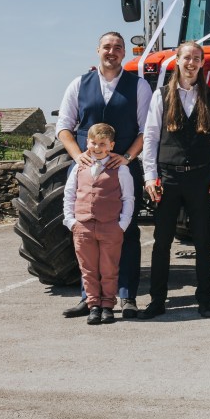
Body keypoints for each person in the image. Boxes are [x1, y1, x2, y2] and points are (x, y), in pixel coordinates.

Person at [56, 31, 152, 319]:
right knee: (85, 233)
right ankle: (89, 299)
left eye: (118, 47)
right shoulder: (78, 84)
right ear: (98, 50)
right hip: (85, 171)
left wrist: (128, 157)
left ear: (124, 53)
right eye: (107, 47)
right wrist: (78, 157)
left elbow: (146, 130)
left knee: (126, 231)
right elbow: (64, 127)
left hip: (121, 171)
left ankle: (127, 296)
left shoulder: (139, 86)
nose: (112, 51)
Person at [138, 41, 210, 319]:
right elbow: (151, 137)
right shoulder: (161, 95)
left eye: (196, 58)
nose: (191, 63)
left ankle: (205, 300)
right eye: (187, 57)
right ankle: (157, 300)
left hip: (200, 178)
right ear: (177, 60)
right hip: (168, 178)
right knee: (162, 241)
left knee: (203, 241)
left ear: (202, 63)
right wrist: (150, 176)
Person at [62, 123, 135, 325]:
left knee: (109, 269)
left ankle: (108, 306)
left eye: (102, 144)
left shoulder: (121, 169)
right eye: (93, 143)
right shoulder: (79, 167)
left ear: (111, 145)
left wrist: (122, 225)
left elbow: (128, 198)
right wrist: (71, 221)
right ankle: (93, 305)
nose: (97, 147)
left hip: (110, 226)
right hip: (83, 226)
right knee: (88, 269)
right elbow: (69, 194)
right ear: (87, 142)